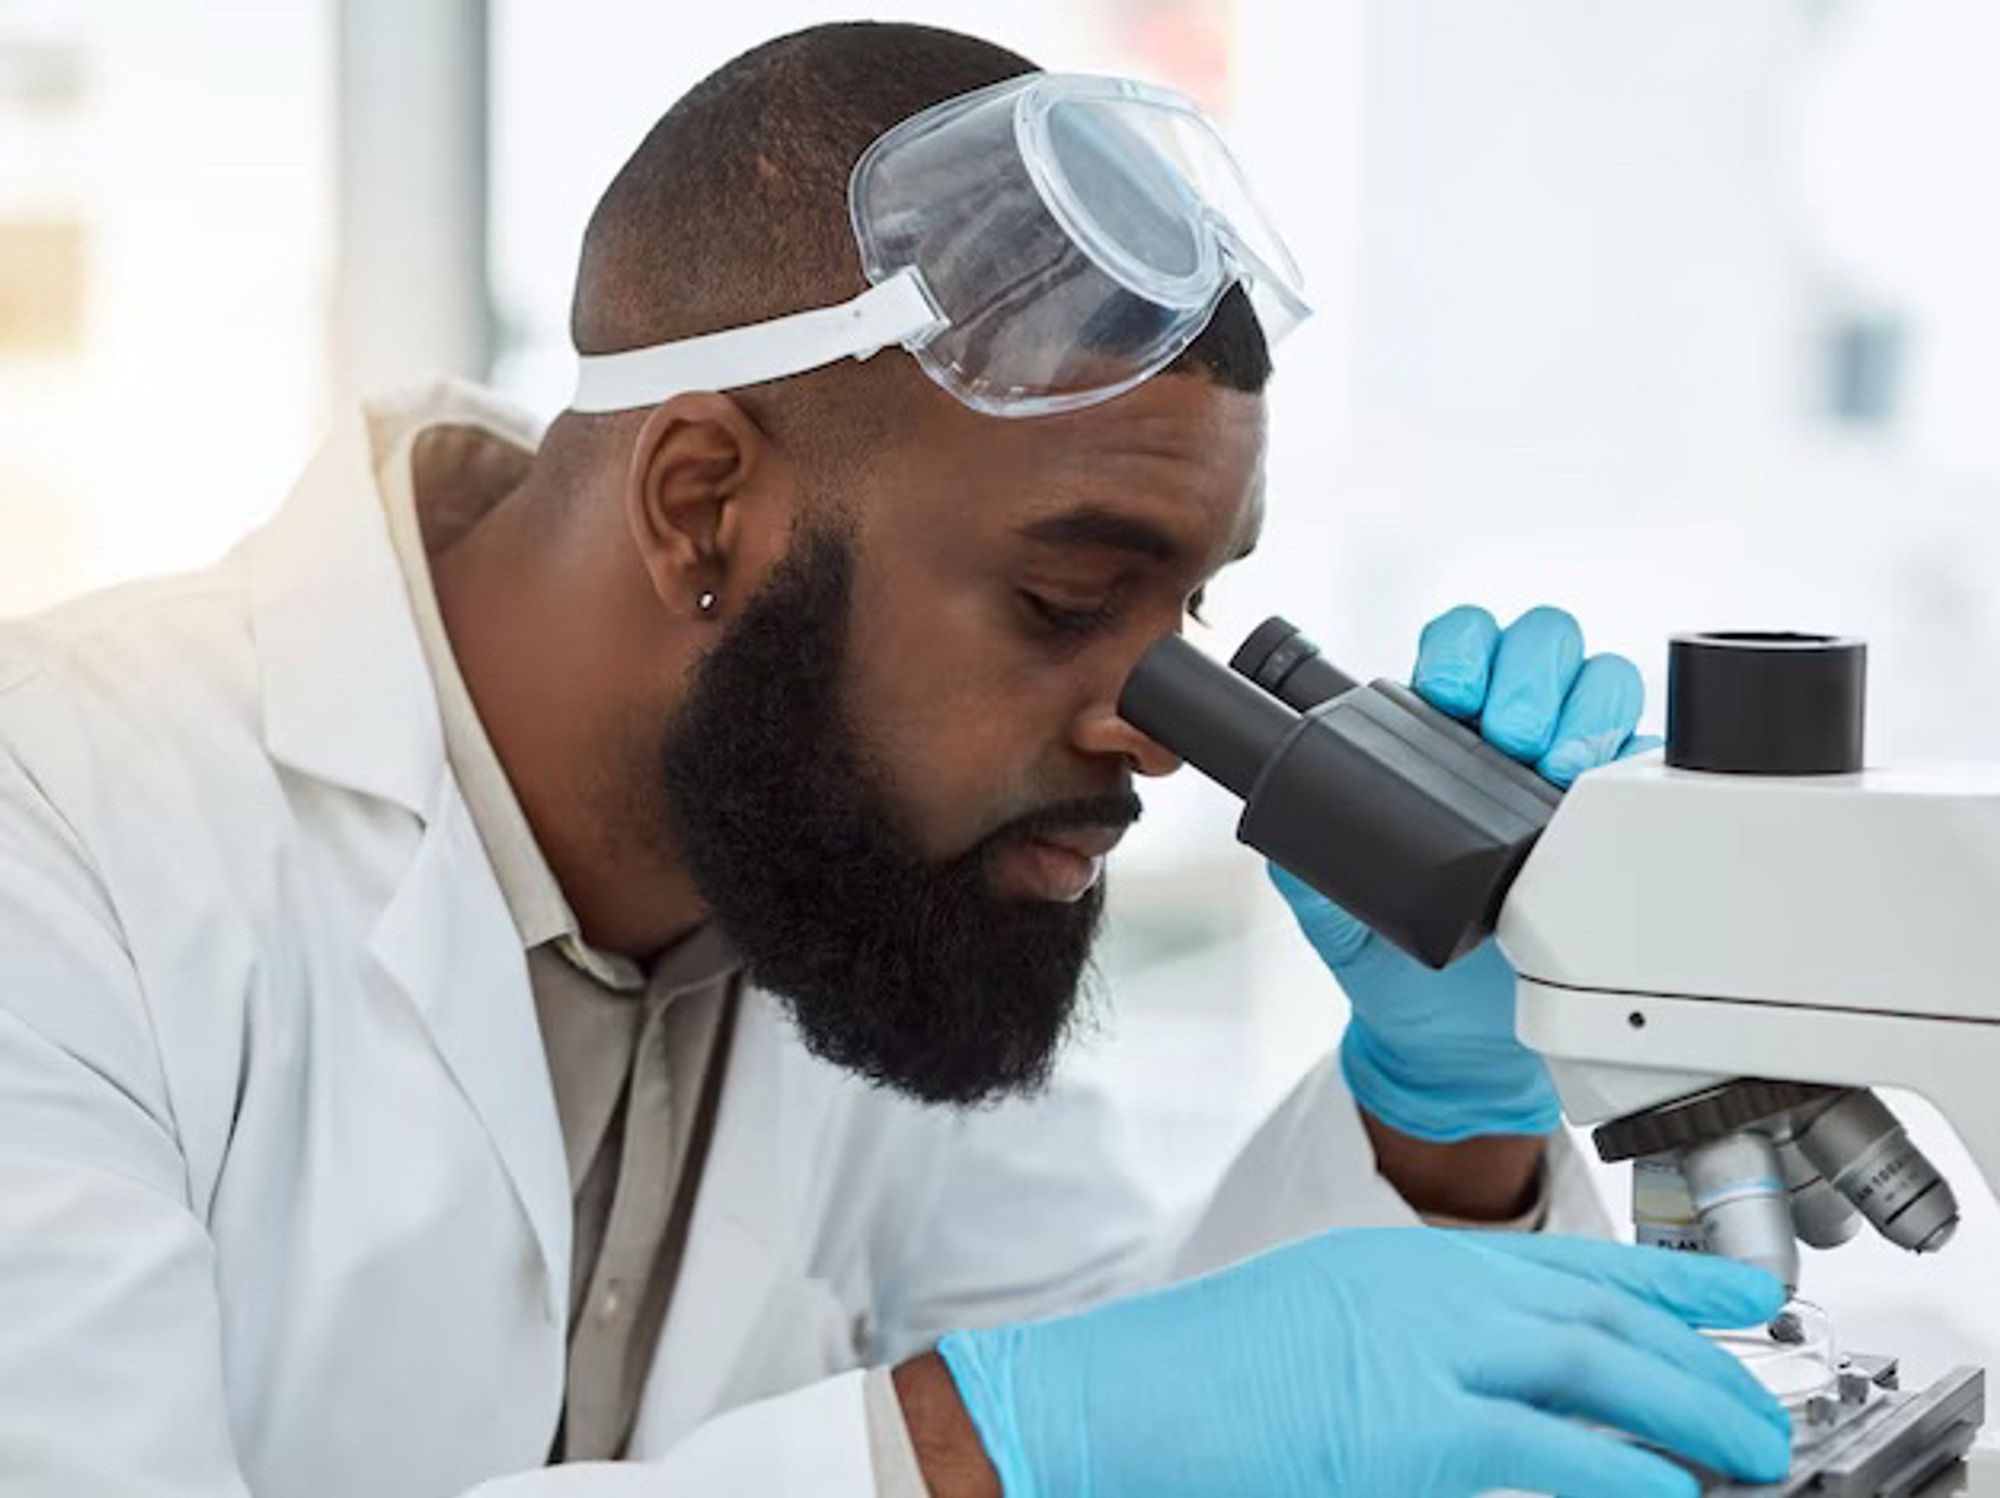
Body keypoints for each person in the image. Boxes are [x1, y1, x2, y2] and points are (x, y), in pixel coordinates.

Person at [0, 22, 1792, 1498]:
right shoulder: (65, 834)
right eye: (1068, 597)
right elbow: (1073, 1419)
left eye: (1192, 614)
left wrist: (1434, 1135)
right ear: (704, 503)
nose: (1146, 730)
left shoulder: (860, 893)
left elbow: (1183, 1385)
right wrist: (963, 1449)